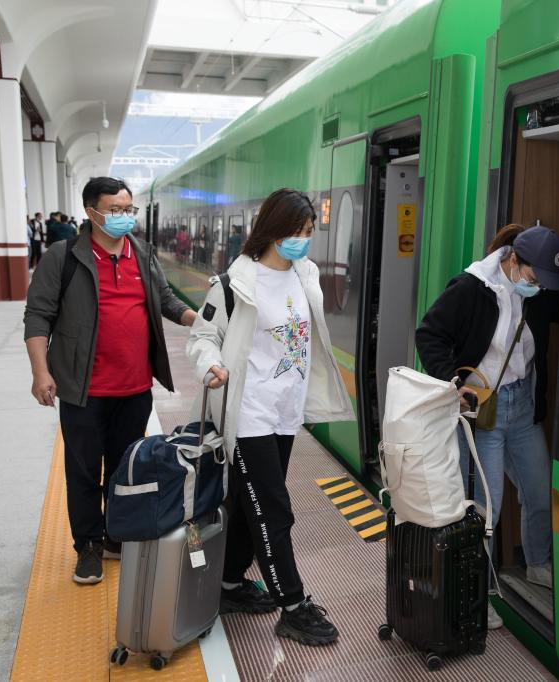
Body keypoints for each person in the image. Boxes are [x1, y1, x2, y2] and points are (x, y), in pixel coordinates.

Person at [187, 188, 355, 646]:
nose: (304, 240)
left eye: (309, 231)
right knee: (274, 511)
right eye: (296, 231)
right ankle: (294, 606)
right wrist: (210, 365)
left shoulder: (305, 275)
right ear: (273, 230)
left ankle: (228, 584)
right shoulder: (233, 284)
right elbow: (202, 338)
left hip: (285, 414)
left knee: (249, 504)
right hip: (249, 414)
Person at [23, 177, 197, 585]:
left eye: (128, 209)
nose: (124, 217)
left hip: (134, 389)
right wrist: (40, 372)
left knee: (124, 470)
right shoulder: (64, 256)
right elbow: (38, 315)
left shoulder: (143, 253)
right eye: (115, 210)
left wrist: (202, 321)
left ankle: (116, 535)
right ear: (91, 212)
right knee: (84, 471)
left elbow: (167, 301)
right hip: (84, 389)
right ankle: (87, 546)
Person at [415, 223, 559, 630]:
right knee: (487, 507)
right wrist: (454, 381)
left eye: (544, 282)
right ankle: (476, 594)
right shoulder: (472, 288)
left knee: (539, 491)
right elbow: (429, 334)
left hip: (523, 407)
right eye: (533, 278)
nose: (538, 287)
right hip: (483, 410)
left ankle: (538, 564)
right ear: (513, 260)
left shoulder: (538, 290)